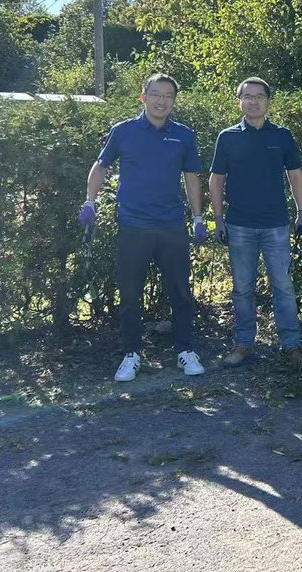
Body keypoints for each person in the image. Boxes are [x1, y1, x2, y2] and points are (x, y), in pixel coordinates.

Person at [78, 72, 208, 381]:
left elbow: (191, 177)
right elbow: (101, 165)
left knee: (180, 292)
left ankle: (185, 351)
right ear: (144, 97)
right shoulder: (123, 131)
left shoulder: (184, 135)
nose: (162, 101)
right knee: (131, 295)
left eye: (168, 96)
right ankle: (131, 354)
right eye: (156, 94)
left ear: (173, 101)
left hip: (171, 226)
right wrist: (89, 201)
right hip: (133, 225)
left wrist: (199, 216)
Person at [209, 77, 302, 366]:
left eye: (259, 96)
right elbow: (217, 180)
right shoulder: (227, 137)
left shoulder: (282, 136)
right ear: (239, 101)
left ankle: (291, 344)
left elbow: (295, 175)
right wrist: (218, 219)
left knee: (283, 286)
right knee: (242, 288)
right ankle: (243, 343)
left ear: (268, 101)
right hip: (239, 225)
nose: (253, 101)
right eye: (247, 96)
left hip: (276, 225)